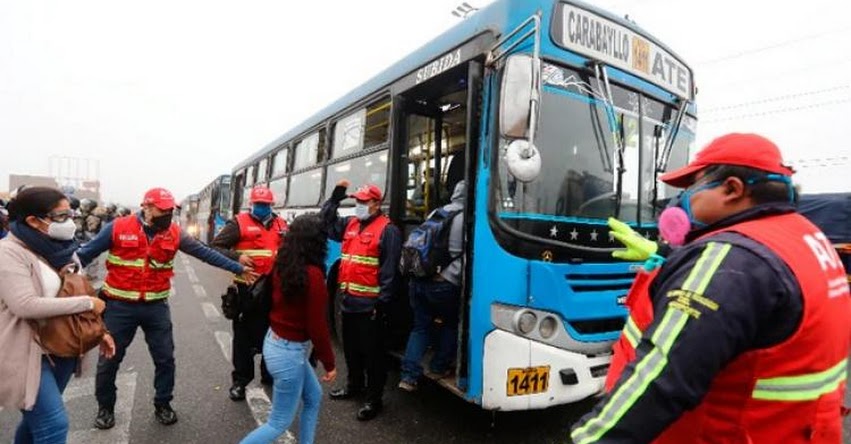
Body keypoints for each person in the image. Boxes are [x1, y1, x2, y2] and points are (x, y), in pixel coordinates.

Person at [570, 133, 851, 443]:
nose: (683, 198)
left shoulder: (728, 259)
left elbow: (662, 380)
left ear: (732, 189)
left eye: (692, 185)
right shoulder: (806, 237)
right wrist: (666, 256)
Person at [76, 187, 257, 430]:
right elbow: (83, 255)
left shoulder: (174, 232)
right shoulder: (118, 227)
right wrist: (61, 277)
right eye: (164, 210)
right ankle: (105, 408)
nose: (168, 215)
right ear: (147, 207)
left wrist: (236, 267)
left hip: (156, 308)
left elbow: (205, 253)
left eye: (171, 210)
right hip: (119, 307)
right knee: (109, 361)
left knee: (165, 359)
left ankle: (163, 403)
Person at [0, 187, 116, 443]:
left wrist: (101, 331)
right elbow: (25, 305)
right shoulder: (8, 253)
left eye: (70, 214)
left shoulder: (63, 248)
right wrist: (87, 304)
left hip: (61, 346)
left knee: (35, 426)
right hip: (24, 350)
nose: (70, 222)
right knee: (53, 425)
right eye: (61, 216)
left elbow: (77, 287)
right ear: (33, 220)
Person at [239, 214, 337, 444]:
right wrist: (330, 363)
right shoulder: (313, 275)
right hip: (289, 353)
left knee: (314, 397)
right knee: (278, 423)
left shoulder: (283, 264)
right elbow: (317, 326)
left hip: (275, 342)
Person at [321, 180, 401, 421]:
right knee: (352, 350)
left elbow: (389, 272)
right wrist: (335, 198)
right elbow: (325, 223)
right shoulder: (350, 224)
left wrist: (382, 304)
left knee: (373, 355)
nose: (359, 205)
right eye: (357, 201)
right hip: (348, 302)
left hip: (371, 306)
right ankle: (353, 385)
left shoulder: (388, 231)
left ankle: (373, 399)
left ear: (376, 204)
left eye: (364, 202)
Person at [211, 185, 288, 401]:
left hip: (273, 288)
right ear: (251, 204)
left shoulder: (281, 225)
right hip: (247, 290)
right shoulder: (238, 224)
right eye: (258, 204)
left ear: (271, 205)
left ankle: (269, 374)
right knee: (243, 338)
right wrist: (237, 258)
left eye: (265, 205)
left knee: (273, 334)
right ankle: (240, 382)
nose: (261, 208)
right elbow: (215, 247)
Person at [398, 180, 466, 391]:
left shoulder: (436, 212)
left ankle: (408, 377)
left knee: (420, 328)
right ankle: (439, 366)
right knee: (450, 324)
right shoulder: (468, 218)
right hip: (445, 284)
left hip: (419, 280)